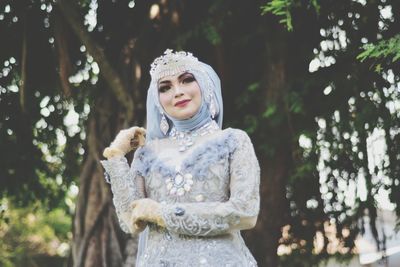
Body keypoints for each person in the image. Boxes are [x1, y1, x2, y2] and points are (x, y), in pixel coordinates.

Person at [101, 49, 260, 267]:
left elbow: (245, 213)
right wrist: (116, 156)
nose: (177, 92)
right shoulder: (147, 153)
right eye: (165, 87)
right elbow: (131, 221)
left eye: (186, 80)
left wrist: (164, 213)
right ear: (157, 100)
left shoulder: (233, 141)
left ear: (204, 85)